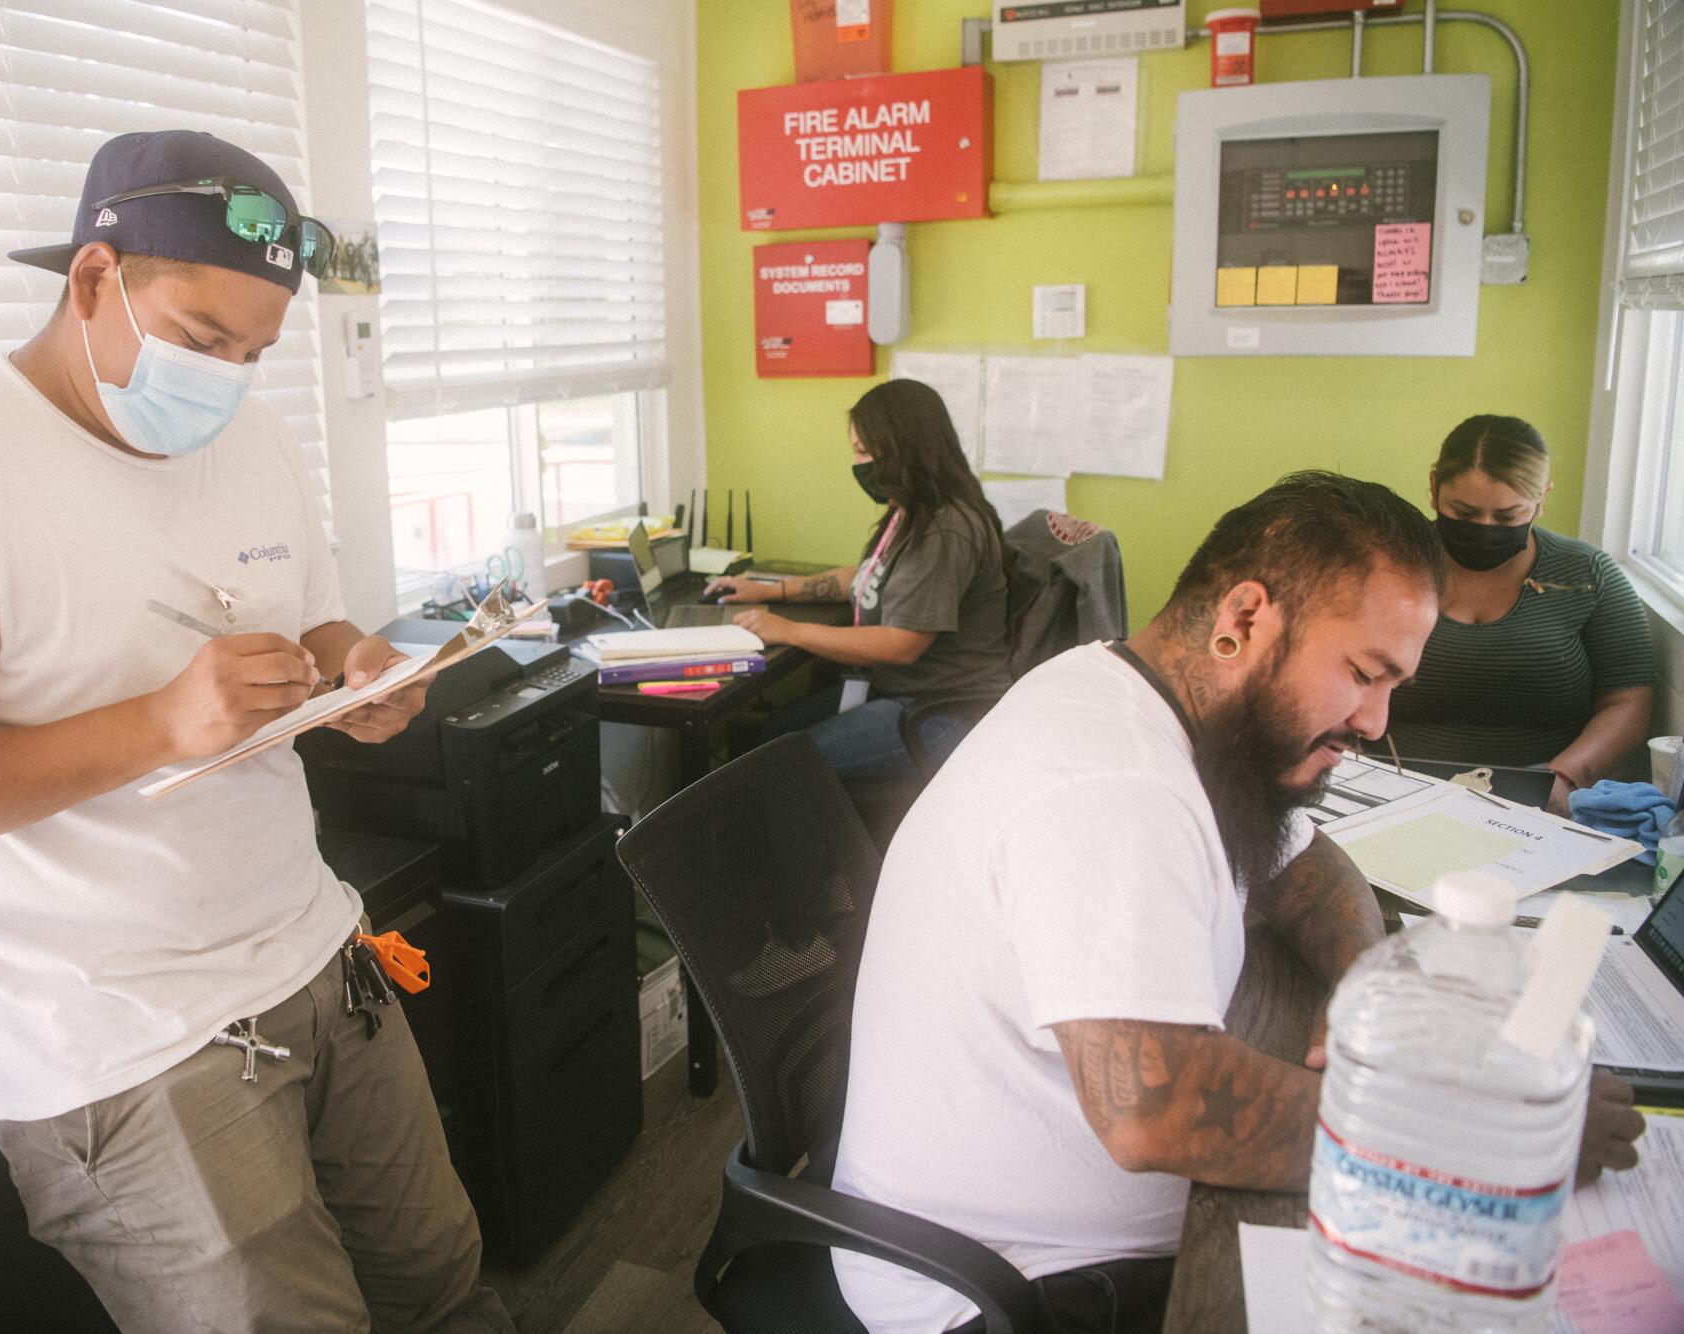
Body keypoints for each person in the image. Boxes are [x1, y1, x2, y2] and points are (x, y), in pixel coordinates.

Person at [0, 131, 512, 1334]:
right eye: (201, 340)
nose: (229, 378)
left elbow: (314, 614)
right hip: (124, 1042)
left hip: (315, 951)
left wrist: (355, 666)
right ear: (92, 280)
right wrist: (157, 724)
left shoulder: (252, 436)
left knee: (440, 1283)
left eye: (256, 351)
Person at [828, 473, 1647, 1334]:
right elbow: (1158, 1111)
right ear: (1245, 619)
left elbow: (1312, 866)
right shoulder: (1111, 782)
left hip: (1081, 1250)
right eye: (1365, 674)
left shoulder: (1160, 703)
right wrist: (1499, 1141)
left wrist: (1366, 989)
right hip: (1006, 1295)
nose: (1375, 719)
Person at [706, 378, 1012, 781]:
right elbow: (869, 576)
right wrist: (773, 590)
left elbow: (901, 643)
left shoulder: (944, 528)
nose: (858, 463)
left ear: (902, 450)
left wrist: (790, 631)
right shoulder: (913, 509)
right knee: (770, 735)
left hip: (941, 710)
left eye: (864, 451)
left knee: (774, 767)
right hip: (907, 693)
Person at [1389, 414, 1655, 814]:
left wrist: (1562, 779)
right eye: (1463, 512)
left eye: (1507, 517)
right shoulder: (1383, 566)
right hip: (1390, 787)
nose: (1484, 527)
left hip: (1544, 801)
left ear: (1541, 499)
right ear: (1433, 487)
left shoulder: (1586, 575)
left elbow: (1628, 701)